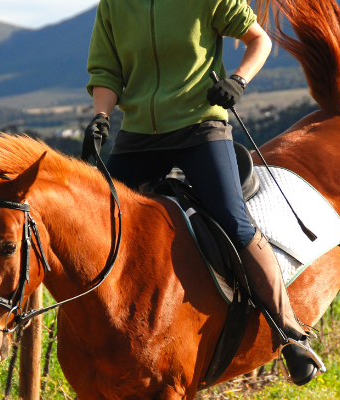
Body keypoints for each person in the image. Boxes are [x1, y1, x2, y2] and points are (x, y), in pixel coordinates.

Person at [83, 0, 323, 385]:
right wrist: (101, 117)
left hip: (200, 126)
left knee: (234, 222)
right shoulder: (113, 4)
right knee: (103, 222)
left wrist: (238, 81)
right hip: (139, 133)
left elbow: (257, 40)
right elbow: (107, 71)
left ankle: (289, 333)